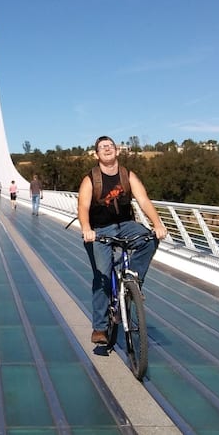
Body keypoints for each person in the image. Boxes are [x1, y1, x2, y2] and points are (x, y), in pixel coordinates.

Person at [78, 135, 168, 345]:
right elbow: (82, 207)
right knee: (101, 276)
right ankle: (100, 328)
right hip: (100, 230)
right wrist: (86, 229)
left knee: (150, 240)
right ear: (97, 154)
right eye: (102, 147)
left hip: (126, 225)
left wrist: (157, 224)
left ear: (117, 151)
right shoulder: (91, 179)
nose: (107, 149)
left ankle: (132, 280)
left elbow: (143, 200)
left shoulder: (128, 175)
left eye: (110, 146)